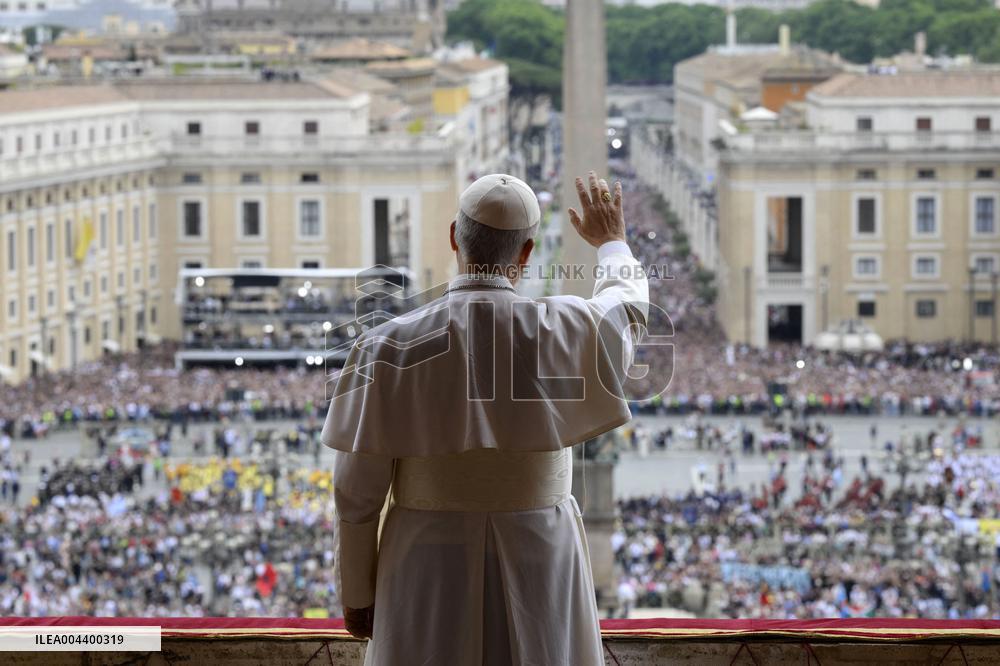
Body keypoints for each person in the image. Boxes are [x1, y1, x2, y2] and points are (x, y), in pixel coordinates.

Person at [323, 172, 649, 665]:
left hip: (425, 560)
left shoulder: (385, 346)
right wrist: (612, 244)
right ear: (526, 253)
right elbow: (627, 310)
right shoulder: (568, 328)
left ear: (455, 236)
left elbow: (355, 492)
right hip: (541, 555)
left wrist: (357, 594)